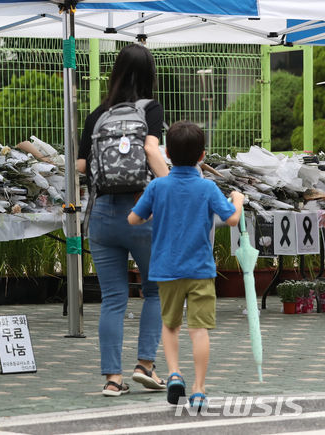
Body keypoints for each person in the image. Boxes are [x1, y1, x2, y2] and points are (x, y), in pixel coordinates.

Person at [127, 121, 244, 408]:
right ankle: (200, 389)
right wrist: (238, 200)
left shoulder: (157, 186)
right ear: (203, 155)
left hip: (166, 269)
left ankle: (175, 373)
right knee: (199, 329)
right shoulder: (207, 187)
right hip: (200, 269)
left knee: (170, 325)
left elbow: (133, 219)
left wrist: (150, 214)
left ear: (166, 152)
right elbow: (231, 219)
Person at [76, 43, 170, 397]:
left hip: (102, 214)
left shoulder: (98, 115)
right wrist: (171, 186)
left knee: (113, 298)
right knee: (155, 290)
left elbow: (82, 165)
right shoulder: (150, 108)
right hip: (141, 211)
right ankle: (145, 365)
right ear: (149, 75)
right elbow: (149, 149)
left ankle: (113, 380)